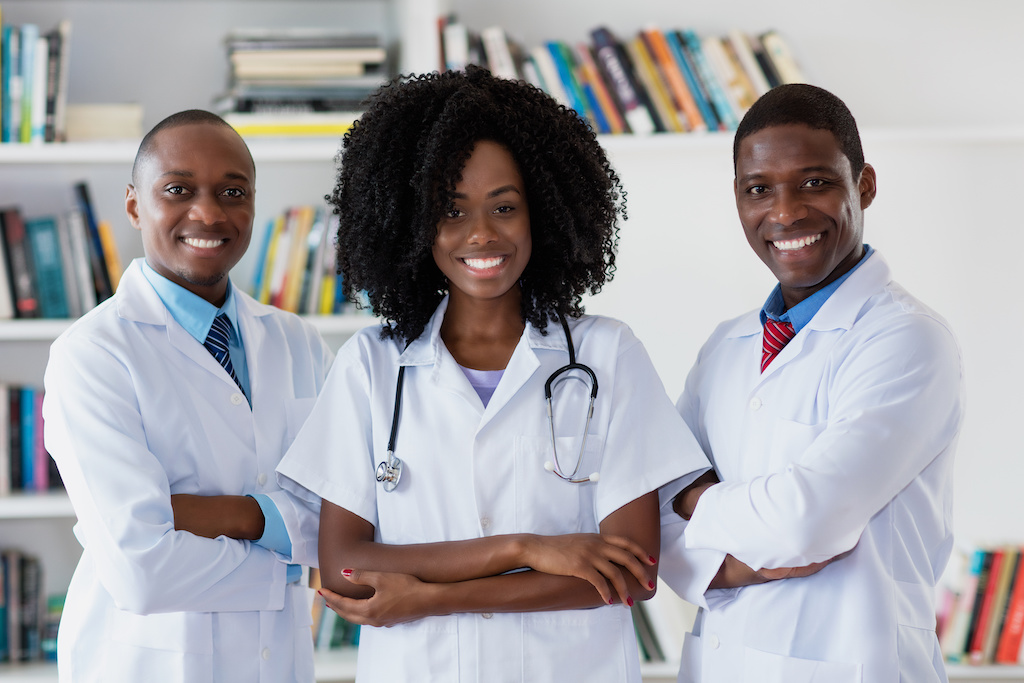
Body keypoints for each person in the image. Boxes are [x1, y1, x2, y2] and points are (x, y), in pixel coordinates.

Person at [275, 65, 710, 682]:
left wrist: (432, 593)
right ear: (413, 223)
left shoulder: (605, 355)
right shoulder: (371, 365)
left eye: (504, 207)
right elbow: (345, 565)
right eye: (451, 211)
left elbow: (633, 573)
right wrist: (526, 548)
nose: (481, 233)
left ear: (544, 213)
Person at [658, 83, 965, 682]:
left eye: (815, 182)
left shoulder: (907, 339)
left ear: (865, 186)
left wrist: (698, 499)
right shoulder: (726, 346)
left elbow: (806, 522)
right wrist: (744, 562)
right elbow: (654, 519)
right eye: (758, 190)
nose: (786, 211)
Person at [43, 110, 333, 683]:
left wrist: (210, 514)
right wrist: (294, 565)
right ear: (133, 205)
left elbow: (341, 515)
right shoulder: (92, 354)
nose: (208, 213)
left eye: (233, 191)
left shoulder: (298, 341)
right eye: (178, 190)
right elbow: (142, 570)